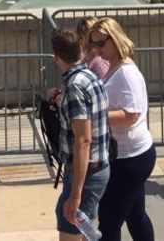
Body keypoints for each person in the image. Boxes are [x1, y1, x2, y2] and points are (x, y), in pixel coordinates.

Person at [91, 17, 156, 241]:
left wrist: (96, 117)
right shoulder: (116, 66)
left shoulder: (127, 74)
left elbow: (131, 115)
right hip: (129, 155)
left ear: (114, 38)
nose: (97, 50)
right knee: (135, 215)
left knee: (108, 221)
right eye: (94, 44)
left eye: (101, 43)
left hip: (131, 159)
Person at [51, 28, 111, 241]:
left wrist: (75, 195)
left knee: (70, 230)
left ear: (56, 58)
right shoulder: (90, 77)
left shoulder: (75, 87)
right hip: (94, 170)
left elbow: (83, 140)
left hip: (86, 174)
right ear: (80, 50)